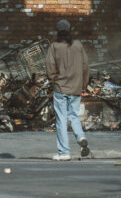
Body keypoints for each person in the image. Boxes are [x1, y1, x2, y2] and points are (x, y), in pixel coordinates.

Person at [45, 19, 90, 160]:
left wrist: (53, 81)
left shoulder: (54, 46)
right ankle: (81, 137)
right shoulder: (78, 45)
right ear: (70, 30)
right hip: (76, 88)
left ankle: (64, 153)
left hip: (60, 88)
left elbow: (50, 66)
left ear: (57, 31)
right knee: (74, 116)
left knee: (61, 119)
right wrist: (83, 84)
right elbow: (85, 66)